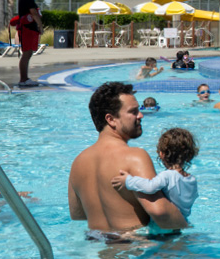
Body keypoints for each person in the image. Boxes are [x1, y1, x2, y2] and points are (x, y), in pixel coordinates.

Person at [69, 82, 187, 234]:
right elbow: (160, 212)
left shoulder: (78, 162)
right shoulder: (135, 156)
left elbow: (78, 216)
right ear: (111, 119)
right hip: (134, 248)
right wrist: (186, 227)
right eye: (133, 111)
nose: (141, 115)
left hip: (97, 248)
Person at [111, 128, 199, 227]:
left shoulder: (167, 175)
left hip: (163, 224)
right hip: (181, 222)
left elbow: (150, 187)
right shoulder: (192, 179)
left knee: (130, 236)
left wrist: (128, 180)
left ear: (162, 154)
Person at [16, 0, 43, 87]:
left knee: (28, 53)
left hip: (28, 28)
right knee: (26, 54)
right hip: (28, 28)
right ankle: (23, 79)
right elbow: (33, 12)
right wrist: (40, 25)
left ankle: (25, 78)